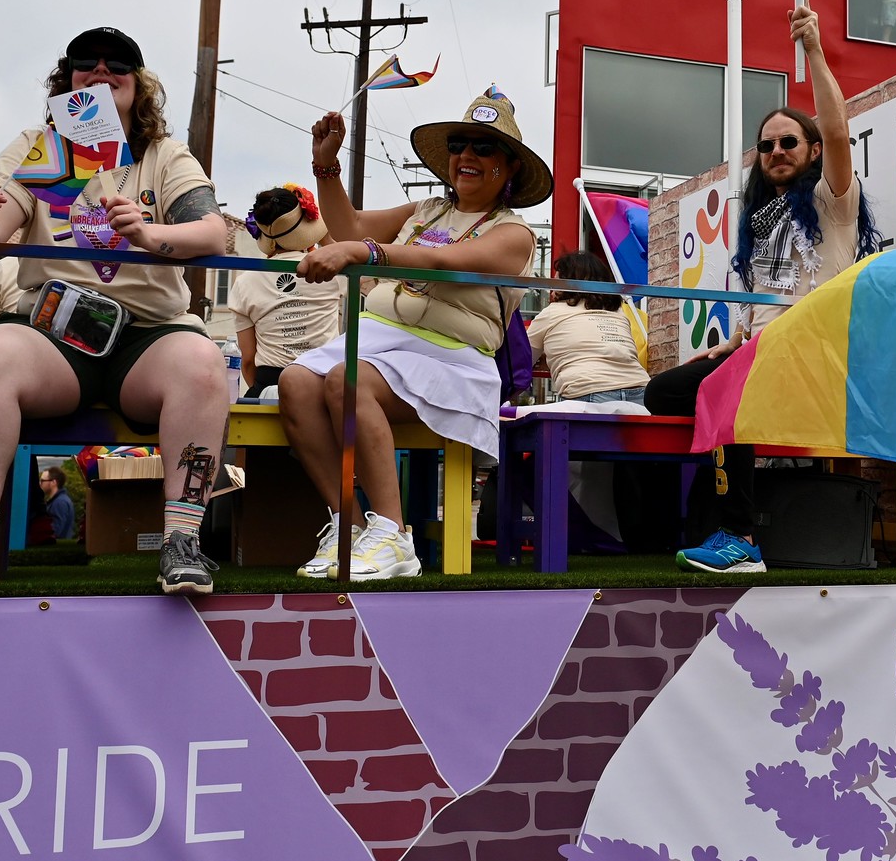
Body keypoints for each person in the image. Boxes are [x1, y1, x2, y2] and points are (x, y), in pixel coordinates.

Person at [0, 27, 233, 597]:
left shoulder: (163, 154)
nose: (101, 72)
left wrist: (150, 233)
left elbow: (211, 235)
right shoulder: (42, 146)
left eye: (118, 66)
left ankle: (183, 544)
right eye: (87, 63)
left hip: (150, 337)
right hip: (56, 335)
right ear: (68, 78)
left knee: (202, 362)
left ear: (139, 85)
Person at [644, 7, 880, 574]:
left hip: (816, 359)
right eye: (767, 145)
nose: (776, 152)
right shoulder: (756, 222)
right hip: (763, 354)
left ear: (813, 150)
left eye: (789, 142)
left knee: (728, 393)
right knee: (664, 394)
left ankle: (739, 535)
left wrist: (816, 51)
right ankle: (688, 523)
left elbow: (839, 130)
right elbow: (763, 306)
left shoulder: (832, 203)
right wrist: (726, 347)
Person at [280, 90, 545, 581]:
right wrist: (326, 168)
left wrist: (364, 252)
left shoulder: (515, 234)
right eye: (460, 144)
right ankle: (351, 529)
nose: (466, 155)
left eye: (483, 148)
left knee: (345, 380)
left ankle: (394, 535)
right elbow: (350, 227)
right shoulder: (425, 209)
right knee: (295, 382)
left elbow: (445, 262)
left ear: (507, 169)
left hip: (454, 358)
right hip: (380, 342)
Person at [231, 183, 343, 397]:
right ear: (308, 224)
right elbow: (370, 283)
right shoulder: (334, 272)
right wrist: (325, 239)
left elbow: (247, 361)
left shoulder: (244, 282)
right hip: (323, 381)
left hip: (269, 385)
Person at [528, 252, 650, 404]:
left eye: (557, 279)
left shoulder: (551, 313)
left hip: (589, 391)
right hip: (641, 391)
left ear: (569, 283)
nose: (552, 286)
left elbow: (521, 361)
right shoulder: (619, 312)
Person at [39, 465, 76, 541]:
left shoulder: (60, 502)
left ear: (53, 482)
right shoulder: (60, 500)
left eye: (42, 481)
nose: (40, 484)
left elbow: (55, 531)